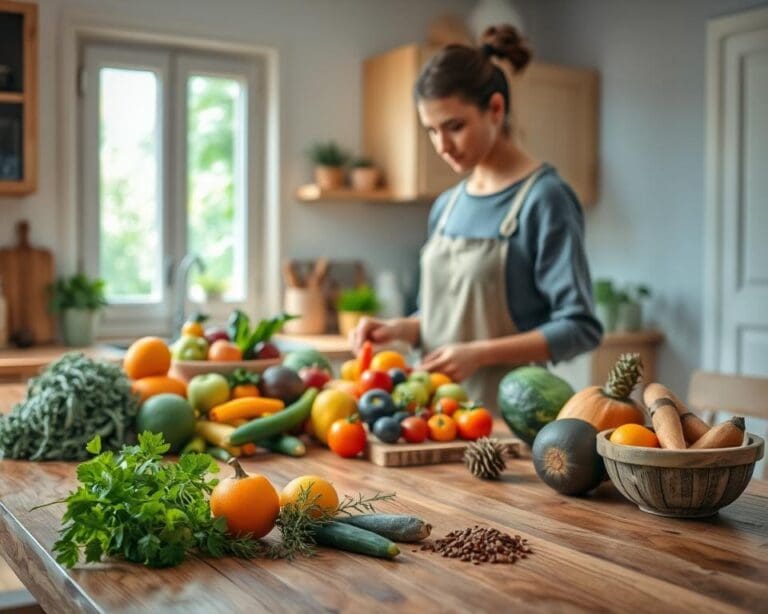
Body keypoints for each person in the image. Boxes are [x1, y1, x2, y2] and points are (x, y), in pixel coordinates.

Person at [351, 24, 602, 409]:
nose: (442, 146)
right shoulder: (447, 205)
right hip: (434, 416)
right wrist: (400, 329)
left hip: (507, 423)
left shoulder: (544, 199)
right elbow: (445, 317)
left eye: (454, 127)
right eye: (431, 131)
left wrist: (479, 354)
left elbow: (580, 328)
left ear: (496, 109)